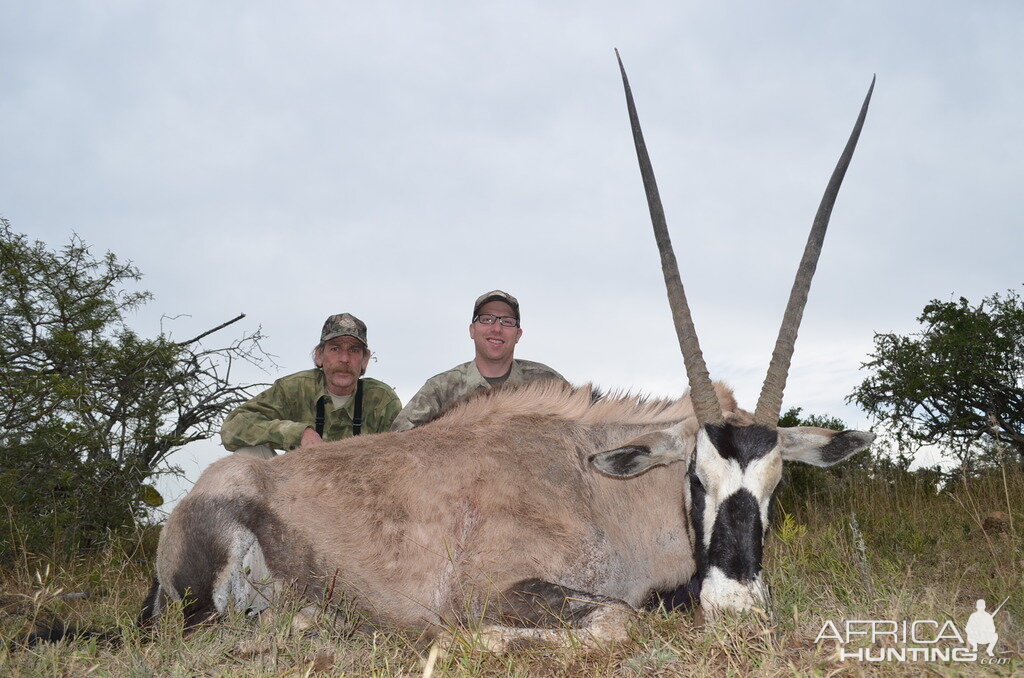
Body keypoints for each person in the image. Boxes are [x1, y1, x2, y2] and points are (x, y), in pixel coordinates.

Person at [221, 313, 401, 458]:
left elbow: (402, 455)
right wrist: (299, 434)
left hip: (360, 496)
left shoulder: (382, 401)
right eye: (335, 348)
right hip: (300, 492)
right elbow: (232, 427)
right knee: (248, 455)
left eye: (354, 350)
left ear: (365, 360)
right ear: (319, 355)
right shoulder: (293, 388)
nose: (345, 359)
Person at [391, 290, 567, 431]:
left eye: (507, 321)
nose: (497, 329)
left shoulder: (548, 384)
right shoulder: (441, 388)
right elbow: (399, 439)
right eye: (487, 319)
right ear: (472, 330)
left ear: (518, 335)